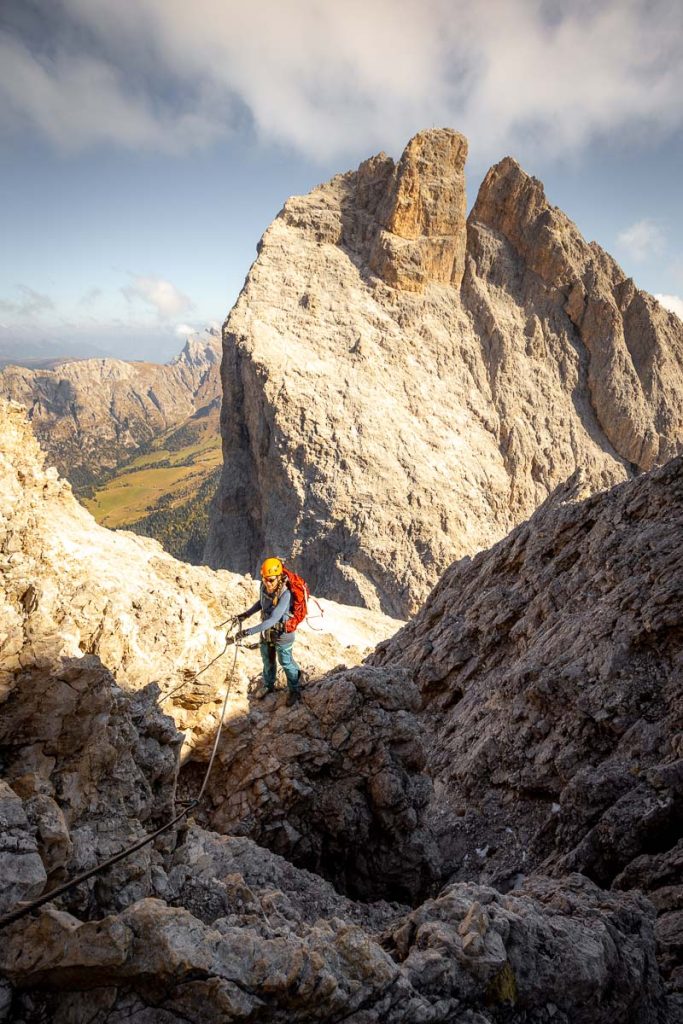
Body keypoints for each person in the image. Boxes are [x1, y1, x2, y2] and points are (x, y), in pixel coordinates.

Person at [234, 557, 302, 705]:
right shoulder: (264, 587)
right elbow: (262, 603)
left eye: (270, 580)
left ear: (278, 577)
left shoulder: (286, 594)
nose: (267, 583)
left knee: (285, 661)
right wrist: (246, 614)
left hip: (283, 634)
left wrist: (247, 632)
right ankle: (268, 685)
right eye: (265, 579)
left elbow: (273, 619)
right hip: (267, 633)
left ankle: (295, 689)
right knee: (267, 660)